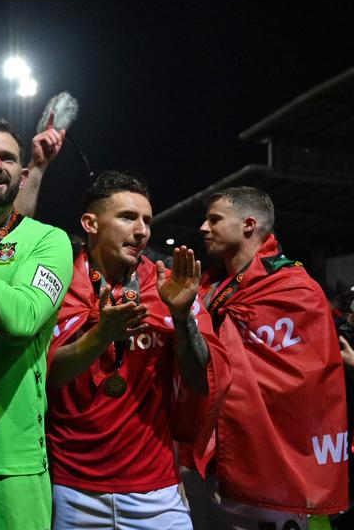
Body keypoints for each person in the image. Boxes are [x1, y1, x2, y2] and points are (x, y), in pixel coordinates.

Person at [45, 171, 222, 530]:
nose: (142, 230)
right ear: (90, 223)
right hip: (72, 486)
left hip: (155, 490)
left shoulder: (167, 284)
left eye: (147, 220)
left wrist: (182, 314)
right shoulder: (58, 280)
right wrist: (102, 335)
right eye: (127, 217)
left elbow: (200, 376)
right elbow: (47, 377)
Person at [187, 187, 348, 529]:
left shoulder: (294, 288)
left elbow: (303, 384)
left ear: (248, 225)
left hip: (269, 470)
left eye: (214, 219)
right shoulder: (205, 287)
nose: (203, 227)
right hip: (207, 466)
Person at [0, 120, 73, 530]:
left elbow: (21, 319)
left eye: (7, 158)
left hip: (7, 462)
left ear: (22, 178)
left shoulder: (48, 241)